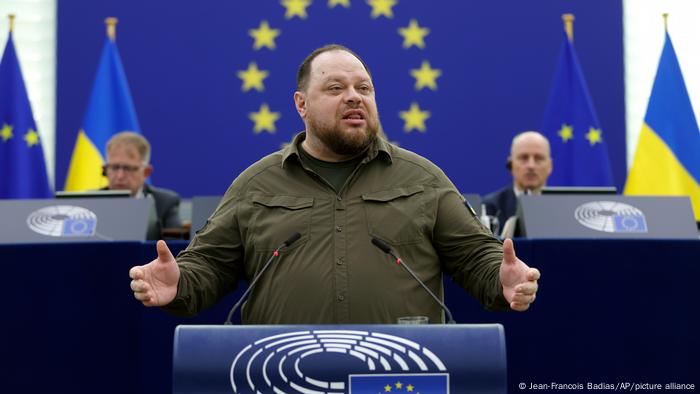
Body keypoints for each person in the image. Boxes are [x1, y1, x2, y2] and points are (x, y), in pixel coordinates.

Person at [129, 45, 540, 324]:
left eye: (364, 88)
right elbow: (211, 265)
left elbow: (475, 256)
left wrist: (501, 280)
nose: (354, 97)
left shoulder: (423, 179)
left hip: (400, 372)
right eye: (335, 88)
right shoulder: (256, 184)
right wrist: (180, 282)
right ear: (301, 104)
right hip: (283, 370)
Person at [104, 131, 182, 230]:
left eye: (128, 168)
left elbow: (173, 243)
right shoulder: (90, 202)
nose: (120, 176)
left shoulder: (164, 203)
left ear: (146, 172)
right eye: (114, 168)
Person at [482, 131, 553, 229]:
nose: (531, 165)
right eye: (523, 158)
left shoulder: (564, 208)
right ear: (511, 164)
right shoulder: (490, 208)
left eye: (538, 158)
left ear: (550, 166)